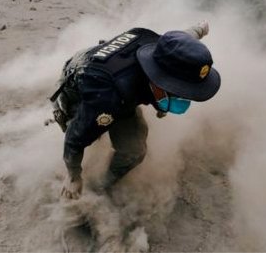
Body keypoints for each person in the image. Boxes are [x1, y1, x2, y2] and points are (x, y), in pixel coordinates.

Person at [50, 21, 220, 200]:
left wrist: (199, 29)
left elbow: (184, 40)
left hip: (116, 78)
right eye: (180, 91)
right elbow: (74, 139)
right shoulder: (108, 97)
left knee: (134, 151)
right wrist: (73, 176)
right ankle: (90, 188)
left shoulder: (166, 50)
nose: (185, 96)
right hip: (80, 85)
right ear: (159, 83)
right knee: (90, 130)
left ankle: (102, 185)